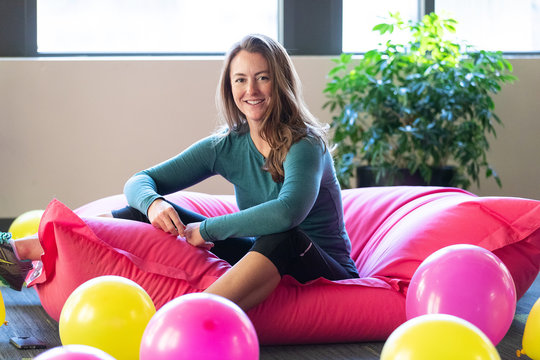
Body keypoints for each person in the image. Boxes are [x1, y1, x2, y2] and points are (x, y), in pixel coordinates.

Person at [0, 34, 359, 311]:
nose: (250, 90)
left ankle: (185, 314)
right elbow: (138, 181)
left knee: (285, 234)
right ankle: (20, 252)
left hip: (322, 266)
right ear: (229, 86)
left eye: (262, 78)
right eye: (240, 80)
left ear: (279, 83)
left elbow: (286, 213)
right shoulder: (226, 146)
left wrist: (207, 229)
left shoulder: (305, 145)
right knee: (138, 209)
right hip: (260, 253)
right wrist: (154, 204)